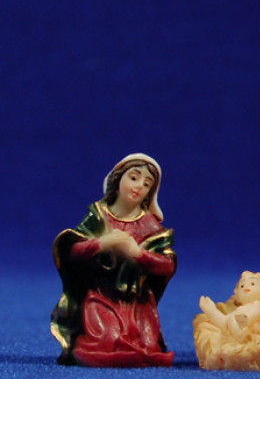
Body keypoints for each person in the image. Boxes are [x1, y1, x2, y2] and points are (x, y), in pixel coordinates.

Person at [51, 153, 176, 367]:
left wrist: (138, 254)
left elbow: (167, 266)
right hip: (101, 296)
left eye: (147, 184)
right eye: (134, 178)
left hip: (137, 301)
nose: (139, 186)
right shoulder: (99, 217)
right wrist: (102, 243)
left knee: (147, 344)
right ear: (117, 180)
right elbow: (72, 251)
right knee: (107, 339)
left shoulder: (150, 225)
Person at [194, 271, 260, 371]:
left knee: (256, 307)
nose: (246, 286)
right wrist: (210, 310)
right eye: (242, 285)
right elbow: (223, 321)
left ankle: (241, 329)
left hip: (251, 327)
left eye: (252, 284)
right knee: (229, 318)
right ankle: (238, 330)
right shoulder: (236, 311)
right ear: (237, 294)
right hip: (234, 325)